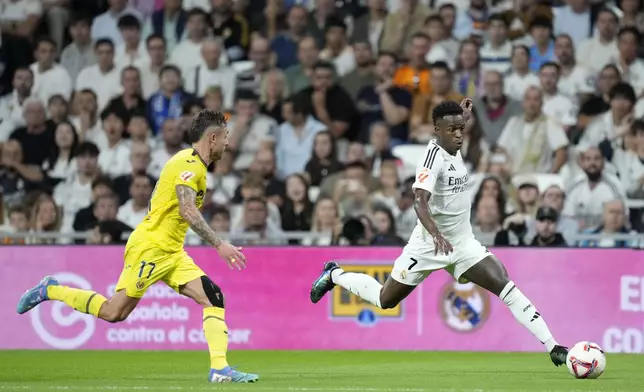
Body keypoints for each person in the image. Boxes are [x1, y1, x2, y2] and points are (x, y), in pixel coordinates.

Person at [310, 99, 568, 367]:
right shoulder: (432, 159)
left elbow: (456, 123)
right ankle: (334, 274)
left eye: (461, 128)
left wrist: (463, 115)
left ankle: (554, 347)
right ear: (437, 129)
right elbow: (419, 201)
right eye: (452, 129)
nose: (458, 134)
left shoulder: (454, 141)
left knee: (505, 284)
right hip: (428, 245)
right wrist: (435, 234)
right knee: (385, 300)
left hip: (463, 244)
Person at [16, 110, 259, 384]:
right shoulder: (187, 165)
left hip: (172, 251)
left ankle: (220, 369)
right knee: (113, 312)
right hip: (151, 249)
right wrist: (219, 244)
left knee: (213, 296)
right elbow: (187, 209)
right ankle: (50, 289)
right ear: (212, 138)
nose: (228, 143)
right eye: (225, 137)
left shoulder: (195, 166)